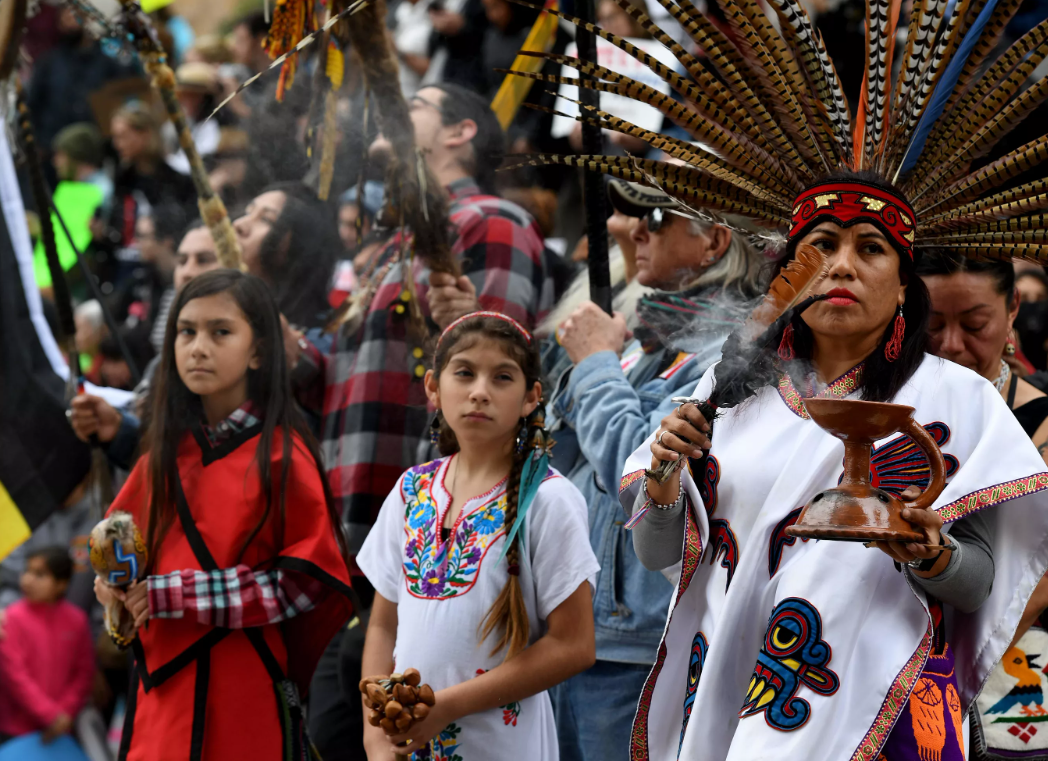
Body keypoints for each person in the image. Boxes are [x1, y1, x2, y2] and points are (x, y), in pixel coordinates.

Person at [93, 270, 354, 759]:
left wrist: (175, 593)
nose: (198, 347)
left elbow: (304, 584)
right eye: (186, 331)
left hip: (242, 687)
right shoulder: (162, 454)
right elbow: (119, 548)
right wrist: (113, 589)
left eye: (221, 332)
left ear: (258, 351)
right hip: (159, 694)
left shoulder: (282, 455)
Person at [545, 180, 764, 761]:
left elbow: (636, 473)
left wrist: (594, 363)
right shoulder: (650, 338)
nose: (633, 230)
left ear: (716, 241)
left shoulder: (733, 353)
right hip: (587, 635)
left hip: (644, 645)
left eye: (657, 217)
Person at [293, 82, 551, 559]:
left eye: (414, 105)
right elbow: (346, 384)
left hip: (435, 533)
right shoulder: (397, 245)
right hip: (355, 526)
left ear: (460, 132)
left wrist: (444, 519)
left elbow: (496, 390)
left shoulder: (491, 222)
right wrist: (287, 351)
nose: (394, 112)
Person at [358, 311, 599, 759]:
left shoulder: (548, 500)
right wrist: (376, 734)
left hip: (501, 745)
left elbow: (574, 645)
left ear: (531, 398)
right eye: (464, 372)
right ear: (433, 387)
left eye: (502, 378)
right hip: (404, 743)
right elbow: (382, 623)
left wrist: (446, 707)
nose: (479, 392)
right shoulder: (412, 490)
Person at [918, 254, 1048, 760]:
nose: (951, 344)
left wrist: (948, 677)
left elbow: (1037, 584)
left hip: (1011, 681)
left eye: (974, 324)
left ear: (1013, 307)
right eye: (931, 324)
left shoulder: (1038, 424)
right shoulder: (887, 414)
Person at [68, 222, 220, 470]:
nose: (188, 272)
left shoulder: (254, 351)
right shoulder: (162, 363)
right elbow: (163, 461)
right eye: (181, 261)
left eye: (204, 260)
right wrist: (119, 430)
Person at [94, 103, 193, 291]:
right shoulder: (123, 178)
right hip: (123, 273)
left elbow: (185, 225)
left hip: (163, 273)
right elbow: (118, 234)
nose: (117, 144)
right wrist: (102, 232)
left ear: (146, 134)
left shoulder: (177, 177)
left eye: (122, 136)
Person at [0, 546, 93, 745]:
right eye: (27, 571)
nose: (27, 580)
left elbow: (84, 672)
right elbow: (15, 676)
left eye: (40, 574)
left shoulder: (77, 620)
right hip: (16, 727)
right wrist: (51, 715)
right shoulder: (12, 618)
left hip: (61, 729)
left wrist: (65, 712)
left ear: (62, 584)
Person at [25, 6, 136, 153]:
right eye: (64, 19)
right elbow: (33, 105)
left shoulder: (107, 64)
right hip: (57, 151)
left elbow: (124, 99)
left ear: (87, 20)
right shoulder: (48, 64)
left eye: (74, 17)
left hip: (98, 150)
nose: (69, 23)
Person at [233, 182, 339, 333]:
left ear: (298, 248)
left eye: (266, 219)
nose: (238, 224)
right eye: (248, 212)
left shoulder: (318, 340)